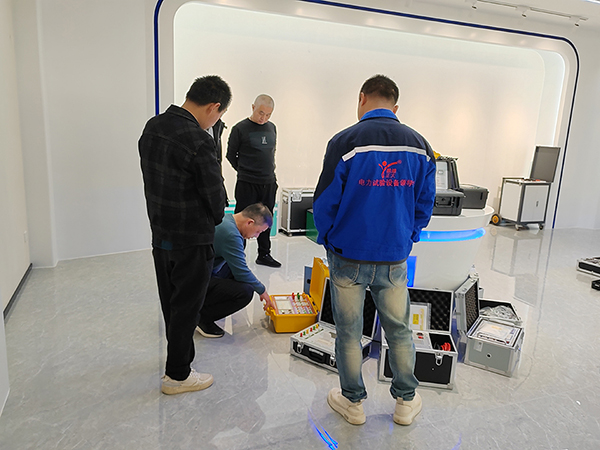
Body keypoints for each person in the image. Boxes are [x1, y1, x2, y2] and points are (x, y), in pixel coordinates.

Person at [313, 74, 436, 426]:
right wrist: (409, 234)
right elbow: (425, 202)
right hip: (394, 255)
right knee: (399, 330)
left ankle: (352, 403)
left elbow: (325, 201)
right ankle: (405, 402)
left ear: (362, 98)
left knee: (349, 332)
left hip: (347, 254)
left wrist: (329, 238)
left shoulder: (344, 142)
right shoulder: (420, 146)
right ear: (395, 107)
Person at [138, 75, 231, 395]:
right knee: (187, 309)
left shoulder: (153, 127)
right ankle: (178, 375)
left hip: (160, 235)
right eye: (219, 115)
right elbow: (216, 202)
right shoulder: (200, 141)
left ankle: (177, 360)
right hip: (192, 239)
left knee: (171, 304)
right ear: (214, 107)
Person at [196, 203, 275, 338]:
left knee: (235, 269)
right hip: (196, 281)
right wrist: (262, 291)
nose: (256, 236)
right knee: (245, 292)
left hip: (199, 272)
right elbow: (242, 272)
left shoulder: (227, 219)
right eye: (258, 232)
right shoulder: (230, 234)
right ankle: (202, 317)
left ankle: (208, 304)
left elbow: (239, 267)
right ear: (250, 222)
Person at [226, 94, 281, 268]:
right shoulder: (240, 128)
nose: (263, 118)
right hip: (247, 183)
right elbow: (230, 155)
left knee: (266, 219)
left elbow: (270, 153)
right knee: (242, 219)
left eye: (268, 115)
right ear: (253, 107)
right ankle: (237, 256)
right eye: (261, 113)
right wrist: (245, 171)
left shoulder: (272, 128)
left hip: (268, 182)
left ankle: (264, 254)